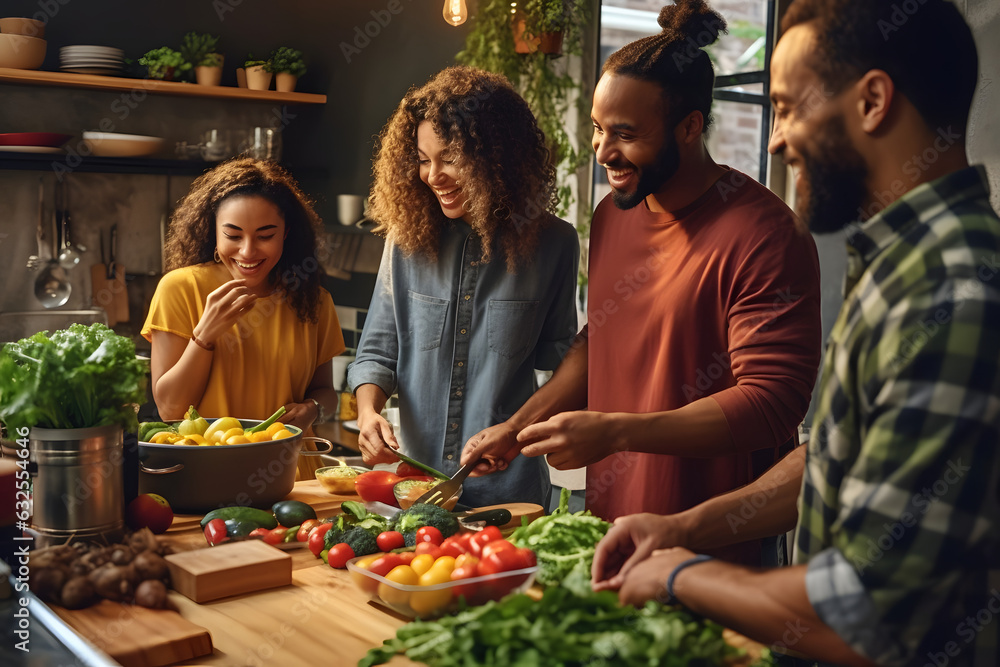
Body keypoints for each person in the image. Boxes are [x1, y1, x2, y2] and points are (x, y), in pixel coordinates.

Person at [591, 0, 1000, 664]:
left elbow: (868, 615)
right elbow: (840, 460)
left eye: (787, 107)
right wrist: (681, 528)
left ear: (872, 101)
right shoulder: (904, 266)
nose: (776, 140)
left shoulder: (950, 288)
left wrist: (677, 575)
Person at [462, 0, 822, 565]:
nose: (604, 152)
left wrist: (615, 433)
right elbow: (599, 342)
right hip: (608, 530)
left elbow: (770, 404)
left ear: (690, 125)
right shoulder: (613, 214)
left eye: (625, 134)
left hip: (714, 546)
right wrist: (517, 426)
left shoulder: (766, 234)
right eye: (599, 130)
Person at [348, 66, 580, 508]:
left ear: (499, 158)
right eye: (422, 158)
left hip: (509, 494)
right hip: (413, 488)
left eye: (450, 158)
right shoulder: (406, 240)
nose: (433, 175)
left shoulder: (554, 244)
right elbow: (377, 351)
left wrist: (516, 430)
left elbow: (564, 363)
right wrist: (368, 413)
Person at [142, 158, 344, 434]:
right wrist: (204, 336)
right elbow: (170, 410)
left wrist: (313, 409)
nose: (248, 252)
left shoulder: (313, 300)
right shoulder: (180, 289)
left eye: (265, 235)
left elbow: (326, 394)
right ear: (213, 231)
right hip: (212, 467)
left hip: (293, 468)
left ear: (285, 233)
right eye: (233, 235)